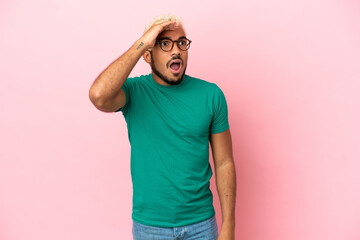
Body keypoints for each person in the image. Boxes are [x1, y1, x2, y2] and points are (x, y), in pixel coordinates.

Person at [89, 15, 236, 240]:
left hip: (202, 225)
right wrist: (142, 42)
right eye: (164, 44)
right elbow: (98, 96)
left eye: (182, 43)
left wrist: (228, 227)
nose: (176, 50)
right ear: (148, 54)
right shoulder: (134, 92)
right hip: (150, 228)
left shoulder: (211, 95)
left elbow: (224, 162)